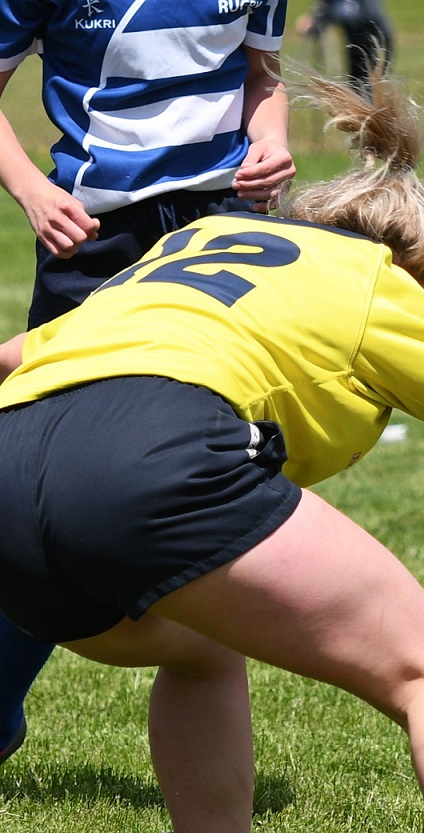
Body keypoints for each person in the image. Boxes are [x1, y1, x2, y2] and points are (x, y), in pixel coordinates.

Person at [0, 68, 424, 833]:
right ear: (412, 265)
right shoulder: (373, 280)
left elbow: (15, 358)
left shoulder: (197, 241)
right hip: (157, 449)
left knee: (201, 646)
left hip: (11, 472)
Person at [0, 0, 298, 763]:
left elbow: (261, 76)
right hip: (96, 235)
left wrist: (271, 141)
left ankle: (203, 689)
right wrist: (32, 188)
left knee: (220, 461)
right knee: (40, 471)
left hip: (223, 235)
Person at [297, 0, 394, 92]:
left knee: (368, 85)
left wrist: (320, 19)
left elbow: (353, 13)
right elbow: (326, 7)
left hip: (375, 40)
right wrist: (315, 20)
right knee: (357, 83)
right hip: (356, 42)